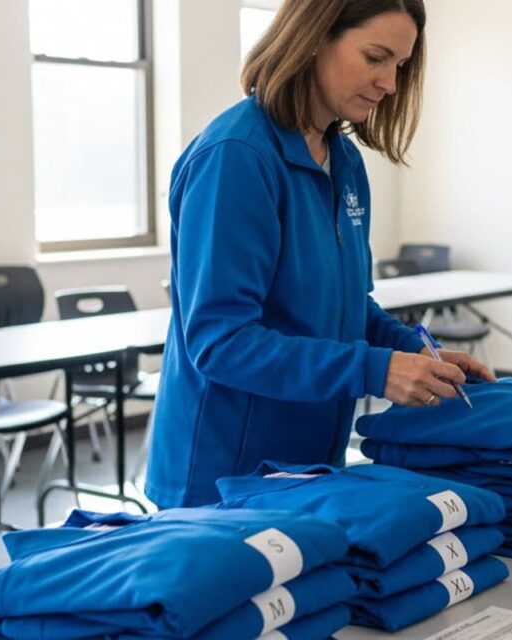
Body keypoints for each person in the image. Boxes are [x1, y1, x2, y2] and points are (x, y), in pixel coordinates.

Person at [145, 0, 494, 509]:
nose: (390, 83)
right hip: (223, 478)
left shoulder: (344, 159)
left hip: (308, 466)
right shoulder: (237, 158)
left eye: (399, 65)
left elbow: (349, 306)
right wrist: (377, 370)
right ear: (312, 38)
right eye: (375, 57)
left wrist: (416, 351)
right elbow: (221, 343)